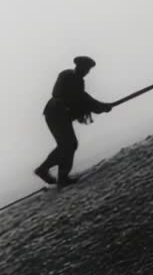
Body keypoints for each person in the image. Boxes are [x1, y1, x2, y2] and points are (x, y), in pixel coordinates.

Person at [34, 56, 112, 186]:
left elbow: (83, 98)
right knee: (68, 144)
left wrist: (101, 106)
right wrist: (100, 107)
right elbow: (80, 97)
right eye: (85, 68)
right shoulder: (69, 76)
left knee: (68, 145)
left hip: (58, 113)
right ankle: (50, 172)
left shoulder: (75, 79)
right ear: (78, 66)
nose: (86, 72)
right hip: (57, 113)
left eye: (88, 69)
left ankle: (57, 175)